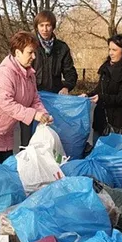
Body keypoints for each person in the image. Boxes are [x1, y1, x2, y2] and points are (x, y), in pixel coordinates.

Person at [0, 31, 53, 165]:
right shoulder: (5, 73)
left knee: (5, 174)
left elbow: (34, 99)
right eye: (30, 53)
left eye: (34, 52)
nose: (34, 56)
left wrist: (44, 114)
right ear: (17, 53)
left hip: (5, 132)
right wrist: (34, 114)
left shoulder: (30, 74)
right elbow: (7, 103)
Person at [20, 10, 78, 146]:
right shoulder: (30, 46)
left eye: (48, 25)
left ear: (53, 27)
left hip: (54, 99)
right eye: (41, 25)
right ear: (37, 27)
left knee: (51, 136)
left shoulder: (61, 48)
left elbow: (70, 72)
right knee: (29, 138)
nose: (45, 29)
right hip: (31, 98)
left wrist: (66, 86)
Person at [80, 34, 122, 145]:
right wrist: (87, 95)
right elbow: (99, 89)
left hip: (117, 122)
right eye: (109, 49)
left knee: (113, 159)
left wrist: (101, 98)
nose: (110, 53)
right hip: (100, 120)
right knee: (97, 155)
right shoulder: (106, 66)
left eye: (114, 50)